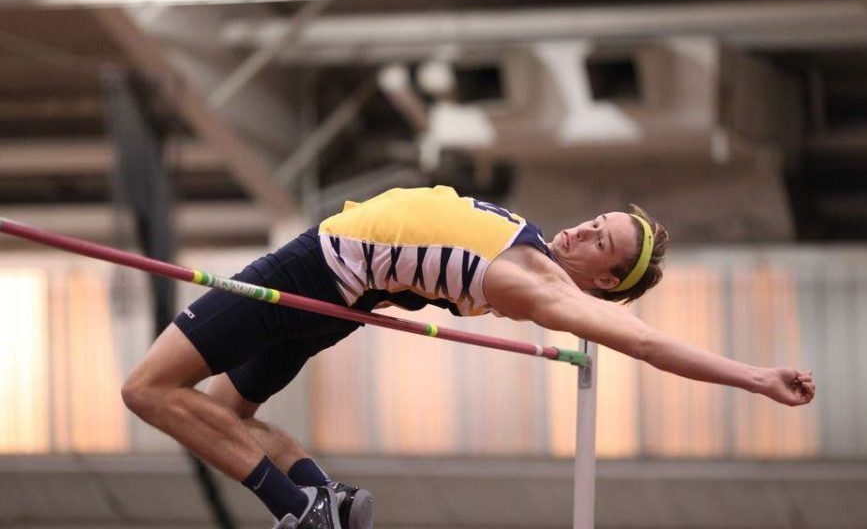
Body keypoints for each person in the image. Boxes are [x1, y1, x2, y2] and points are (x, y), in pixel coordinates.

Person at [121, 185, 816, 529]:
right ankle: (323, 497)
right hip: (350, 290)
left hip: (314, 269)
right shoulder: (535, 250)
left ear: (606, 282)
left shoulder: (542, 290)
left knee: (148, 390)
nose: (580, 231)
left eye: (597, 244)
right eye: (595, 223)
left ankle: (296, 509)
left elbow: (644, 341)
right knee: (224, 416)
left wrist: (755, 377)